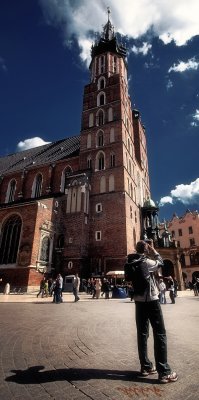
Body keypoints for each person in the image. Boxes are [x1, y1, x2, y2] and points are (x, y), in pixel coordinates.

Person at [127, 240, 178, 384]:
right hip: (152, 300)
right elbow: (160, 262)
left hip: (138, 300)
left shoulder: (131, 261)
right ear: (146, 249)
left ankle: (146, 366)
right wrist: (154, 250)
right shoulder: (147, 262)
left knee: (142, 334)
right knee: (160, 333)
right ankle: (164, 372)